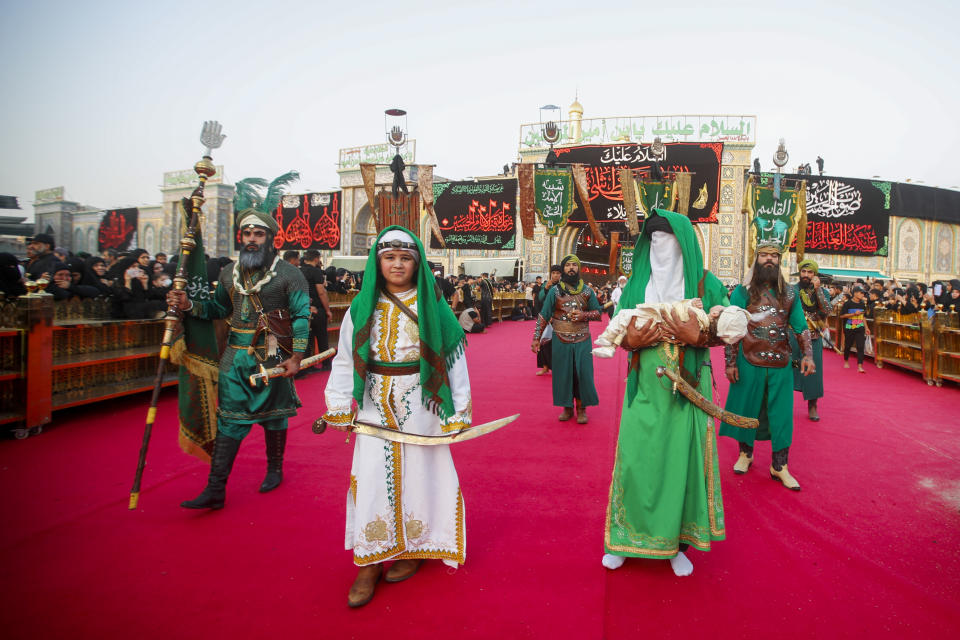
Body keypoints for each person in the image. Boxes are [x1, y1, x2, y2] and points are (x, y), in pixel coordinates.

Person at [319, 226, 472, 608]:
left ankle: (413, 548)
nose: (398, 264)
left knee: (421, 473)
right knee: (372, 477)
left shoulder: (432, 303)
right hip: (373, 404)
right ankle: (370, 560)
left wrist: (459, 408)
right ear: (378, 262)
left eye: (406, 258)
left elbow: (454, 358)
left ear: (417, 262)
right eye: (390, 257)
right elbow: (344, 358)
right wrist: (338, 403)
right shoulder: (360, 305)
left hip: (423, 404)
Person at [601, 208, 728, 577]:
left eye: (668, 240)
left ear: (684, 244)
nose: (661, 248)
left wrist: (701, 335)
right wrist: (630, 340)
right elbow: (618, 328)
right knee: (637, 459)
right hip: (645, 389)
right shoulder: (637, 286)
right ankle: (624, 539)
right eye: (653, 240)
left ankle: (676, 544)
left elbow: (732, 327)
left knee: (681, 465)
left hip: (689, 390)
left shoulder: (704, 283)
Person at [166, 208, 310, 509]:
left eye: (259, 234)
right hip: (234, 358)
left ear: (271, 238)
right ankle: (215, 489)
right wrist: (189, 303)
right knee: (229, 421)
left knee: (274, 417)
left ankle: (275, 469)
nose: (252, 240)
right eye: (247, 234)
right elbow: (217, 310)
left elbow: (300, 317)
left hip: (272, 355)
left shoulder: (290, 274)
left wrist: (296, 357)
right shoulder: (228, 272)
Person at [720, 244, 815, 491]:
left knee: (782, 414)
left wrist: (808, 355)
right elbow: (732, 328)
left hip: (780, 361)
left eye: (774, 256)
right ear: (757, 259)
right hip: (748, 359)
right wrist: (730, 363)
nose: (769, 259)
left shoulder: (790, 293)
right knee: (746, 409)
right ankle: (745, 454)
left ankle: (779, 466)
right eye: (764, 255)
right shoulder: (742, 292)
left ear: (779, 260)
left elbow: (800, 326)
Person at [531, 255, 601, 424]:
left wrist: (584, 315)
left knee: (582, 374)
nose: (571, 268)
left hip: (582, 339)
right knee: (563, 374)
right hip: (560, 339)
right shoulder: (555, 291)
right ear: (563, 269)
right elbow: (544, 315)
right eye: (568, 265)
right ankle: (567, 408)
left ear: (579, 268)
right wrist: (536, 338)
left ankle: (582, 408)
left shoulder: (587, 291)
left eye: (574, 265)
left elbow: (598, 312)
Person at [790, 259, 833, 421]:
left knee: (813, 373)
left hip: (813, 337)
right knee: (788, 369)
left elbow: (827, 310)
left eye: (810, 272)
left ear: (815, 275)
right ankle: (784, 404)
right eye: (803, 272)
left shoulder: (823, 292)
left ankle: (813, 406)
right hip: (793, 336)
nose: (806, 275)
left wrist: (818, 290)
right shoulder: (791, 290)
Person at [300, 249, 333, 372]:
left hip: (303, 309)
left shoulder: (298, 271)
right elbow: (321, 292)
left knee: (307, 339)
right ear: (316, 259)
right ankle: (326, 364)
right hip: (317, 310)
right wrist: (328, 310)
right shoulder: (316, 272)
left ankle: (307, 365)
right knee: (322, 337)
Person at [534, 266, 561, 376]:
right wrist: (545, 289)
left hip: (558, 318)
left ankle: (557, 368)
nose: (555, 275)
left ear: (560, 275)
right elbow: (540, 299)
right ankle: (545, 367)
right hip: (545, 317)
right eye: (553, 273)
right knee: (543, 343)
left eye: (557, 273)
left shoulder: (562, 286)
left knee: (556, 344)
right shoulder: (546, 284)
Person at [840, 286, 870, 373]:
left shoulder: (862, 304)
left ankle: (860, 366)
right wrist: (853, 314)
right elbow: (842, 316)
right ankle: (846, 360)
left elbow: (863, 317)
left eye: (863, 293)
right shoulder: (847, 304)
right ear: (855, 293)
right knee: (848, 345)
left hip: (860, 328)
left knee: (860, 346)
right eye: (861, 293)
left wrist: (866, 327)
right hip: (849, 328)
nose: (862, 295)